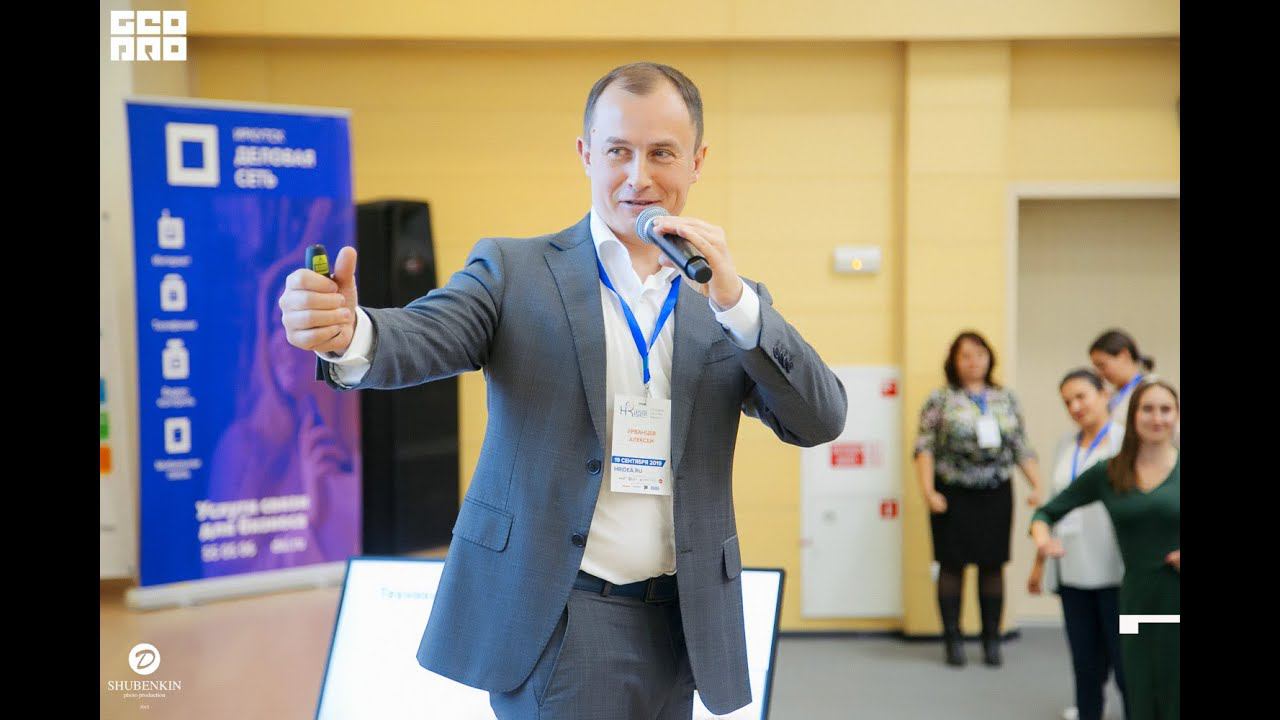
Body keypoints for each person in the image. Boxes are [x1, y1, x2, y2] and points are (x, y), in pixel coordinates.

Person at [278, 61, 847, 719]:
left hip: (685, 620)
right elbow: (423, 336)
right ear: (586, 154)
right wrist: (350, 333)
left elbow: (820, 418)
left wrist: (738, 303)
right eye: (618, 151)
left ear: (697, 162)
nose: (638, 177)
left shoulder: (725, 302)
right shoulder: (514, 272)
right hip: (562, 616)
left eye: (662, 153)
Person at [1032, 379, 1180, 720]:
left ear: (1177, 415)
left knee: (1174, 687)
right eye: (1147, 409)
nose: (1157, 418)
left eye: (1166, 409)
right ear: (1133, 416)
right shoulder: (1110, 472)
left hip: (1176, 596)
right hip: (1134, 601)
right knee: (1137, 683)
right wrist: (1042, 541)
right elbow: (1046, 512)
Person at [913, 331, 1044, 668]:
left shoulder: (1005, 398)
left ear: (990, 357)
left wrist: (1037, 485)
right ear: (954, 361)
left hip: (995, 492)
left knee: (992, 564)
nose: (974, 362)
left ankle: (991, 640)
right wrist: (928, 491)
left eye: (980, 354)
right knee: (951, 564)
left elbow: (1020, 445)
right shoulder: (940, 399)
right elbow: (924, 448)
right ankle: (953, 640)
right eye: (966, 356)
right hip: (952, 492)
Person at [1026, 369, 1127, 720]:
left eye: (1081, 396)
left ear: (1104, 394)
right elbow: (1053, 508)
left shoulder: (1125, 444)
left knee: (1125, 662)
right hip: (1072, 570)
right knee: (1085, 662)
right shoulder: (1065, 445)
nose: (1074, 407)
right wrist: (1039, 564)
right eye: (1067, 401)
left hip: (1118, 574)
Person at [1088, 329, 1155, 425]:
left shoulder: (1152, 387)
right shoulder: (1113, 394)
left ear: (1124, 355)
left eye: (1101, 365)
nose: (1099, 373)